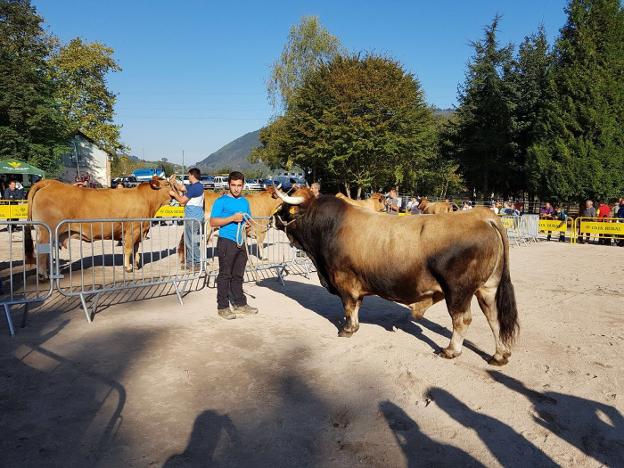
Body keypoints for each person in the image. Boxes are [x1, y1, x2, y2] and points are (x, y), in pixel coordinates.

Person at [209, 171, 258, 320]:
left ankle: (240, 304)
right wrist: (232, 218)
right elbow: (213, 222)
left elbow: (248, 220)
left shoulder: (244, 202)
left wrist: (248, 226)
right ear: (229, 185)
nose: (236, 188)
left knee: (238, 275)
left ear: (243, 185)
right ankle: (222, 306)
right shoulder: (221, 201)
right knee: (225, 275)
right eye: (233, 185)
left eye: (239, 185)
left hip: (241, 242)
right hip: (226, 242)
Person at [169, 168, 204, 269]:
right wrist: (174, 182)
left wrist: (173, 194)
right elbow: (181, 188)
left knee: (193, 241)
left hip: (194, 218)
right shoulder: (195, 186)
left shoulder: (195, 188)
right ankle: (189, 262)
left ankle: (197, 263)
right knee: (188, 241)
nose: (188, 177)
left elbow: (181, 201)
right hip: (191, 217)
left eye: (188, 175)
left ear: (192, 175)